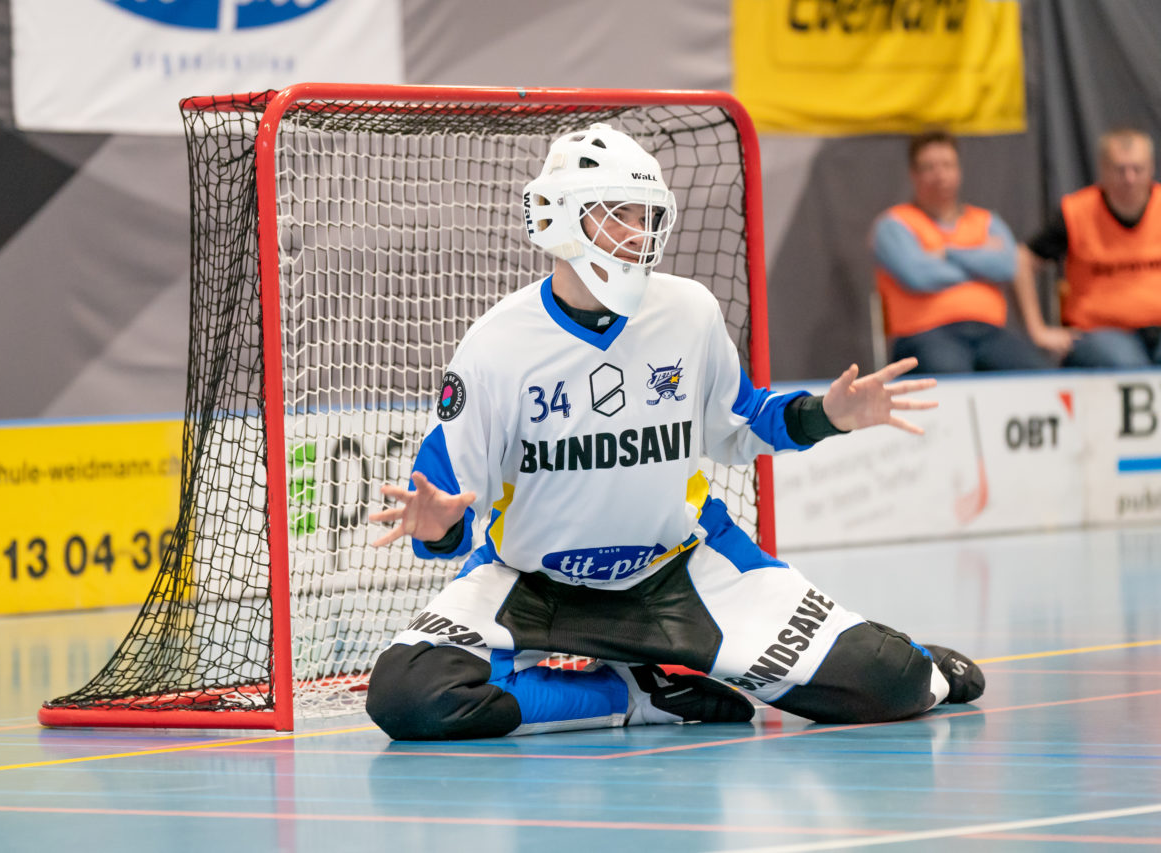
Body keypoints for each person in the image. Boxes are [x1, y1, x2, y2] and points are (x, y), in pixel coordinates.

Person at [365, 123, 985, 741]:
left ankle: (900, 657)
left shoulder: (689, 311)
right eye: (619, 214)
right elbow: (445, 498)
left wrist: (828, 414)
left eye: (647, 216)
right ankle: (636, 694)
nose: (639, 233)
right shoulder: (495, 344)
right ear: (557, 216)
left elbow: (741, 424)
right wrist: (439, 528)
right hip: (535, 588)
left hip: (677, 573)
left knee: (892, 685)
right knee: (408, 695)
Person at [871, 130, 1049, 374]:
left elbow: (1007, 266)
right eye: (929, 167)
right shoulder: (894, 224)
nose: (940, 175)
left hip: (991, 333)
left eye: (947, 165)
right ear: (913, 174)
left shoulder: (987, 221)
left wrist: (945, 254)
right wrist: (981, 265)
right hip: (924, 334)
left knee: (1036, 372)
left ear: (959, 170)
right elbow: (918, 276)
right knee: (948, 369)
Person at [1014, 127, 1161, 367]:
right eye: (1120, 169)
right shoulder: (1077, 212)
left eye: (1137, 169)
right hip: (1100, 333)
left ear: (1151, 168)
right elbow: (1023, 258)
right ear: (1103, 169)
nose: (1130, 178)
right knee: (1128, 364)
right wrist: (1038, 331)